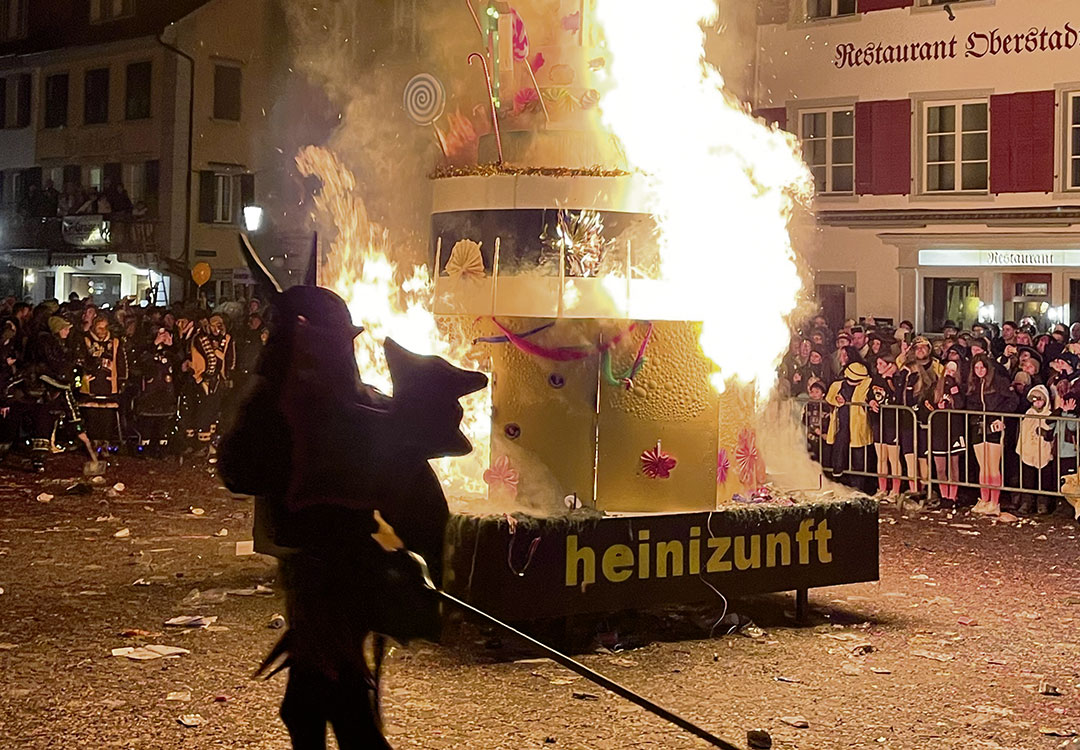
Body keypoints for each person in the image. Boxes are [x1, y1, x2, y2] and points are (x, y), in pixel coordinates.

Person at [968, 354, 1019, 515]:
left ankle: (994, 501)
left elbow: (1012, 401)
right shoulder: (973, 385)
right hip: (978, 426)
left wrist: (1000, 417)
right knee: (983, 466)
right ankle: (984, 499)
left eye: (982, 367)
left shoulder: (999, 382)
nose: (979, 371)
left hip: (994, 426)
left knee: (993, 466)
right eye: (976, 368)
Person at [78, 314, 127, 448]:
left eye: (105, 328)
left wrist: (122, 380)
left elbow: (121, 362)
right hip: (91, 385)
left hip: (109, 384)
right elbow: (80, 360)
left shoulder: (115, 342)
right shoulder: (85, 341)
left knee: (107, 416)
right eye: (99, 328)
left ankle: (105, 442)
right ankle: (93, 441)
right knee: (92, 415)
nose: (102, 331)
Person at [825, 362, 874, 493]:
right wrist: (837, 399)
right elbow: (829, 397)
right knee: (839, 453)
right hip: (842, 423)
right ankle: (838, 483)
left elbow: (867, 394)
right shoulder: (837, 385)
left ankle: (858, 488)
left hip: (858, 426)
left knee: (858, 458)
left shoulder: (865, 385)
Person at [928, 360, 966, 505]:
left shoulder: (958, 388)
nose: (950, 373)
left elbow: (961, 404)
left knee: (953, 465)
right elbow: (926, 405)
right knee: (940, 467)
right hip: (938, 430)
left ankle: (953, 495)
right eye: (948, 370)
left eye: (953, 371)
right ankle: (944, 496)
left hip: (954, 429)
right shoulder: (934, 387)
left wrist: (954, 391)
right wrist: (937, 406)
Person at [1015, 385, 1055, 517]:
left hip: (1043, 452)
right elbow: (1023, 432)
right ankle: (1027, 502)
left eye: (1040, 399)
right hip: (1029, 451)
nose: (1037, 402)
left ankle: (1042, 503)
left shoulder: (1049, 416)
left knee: (1044, 479)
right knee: (1028, 478)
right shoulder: (1028, 414)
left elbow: (1052, 435)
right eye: (1034, 399)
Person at [869, 355, 903, 497]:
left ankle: (895, 490)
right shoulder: (876, 379)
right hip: (879, 420)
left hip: (892, 422)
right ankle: (882, 488)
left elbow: (898, 395)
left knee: (893, 458)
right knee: (881, 457)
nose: (878, 367)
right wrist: (871, 401)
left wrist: (889, 378)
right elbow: (870, 394)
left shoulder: (897, 379)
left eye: (881, 363)